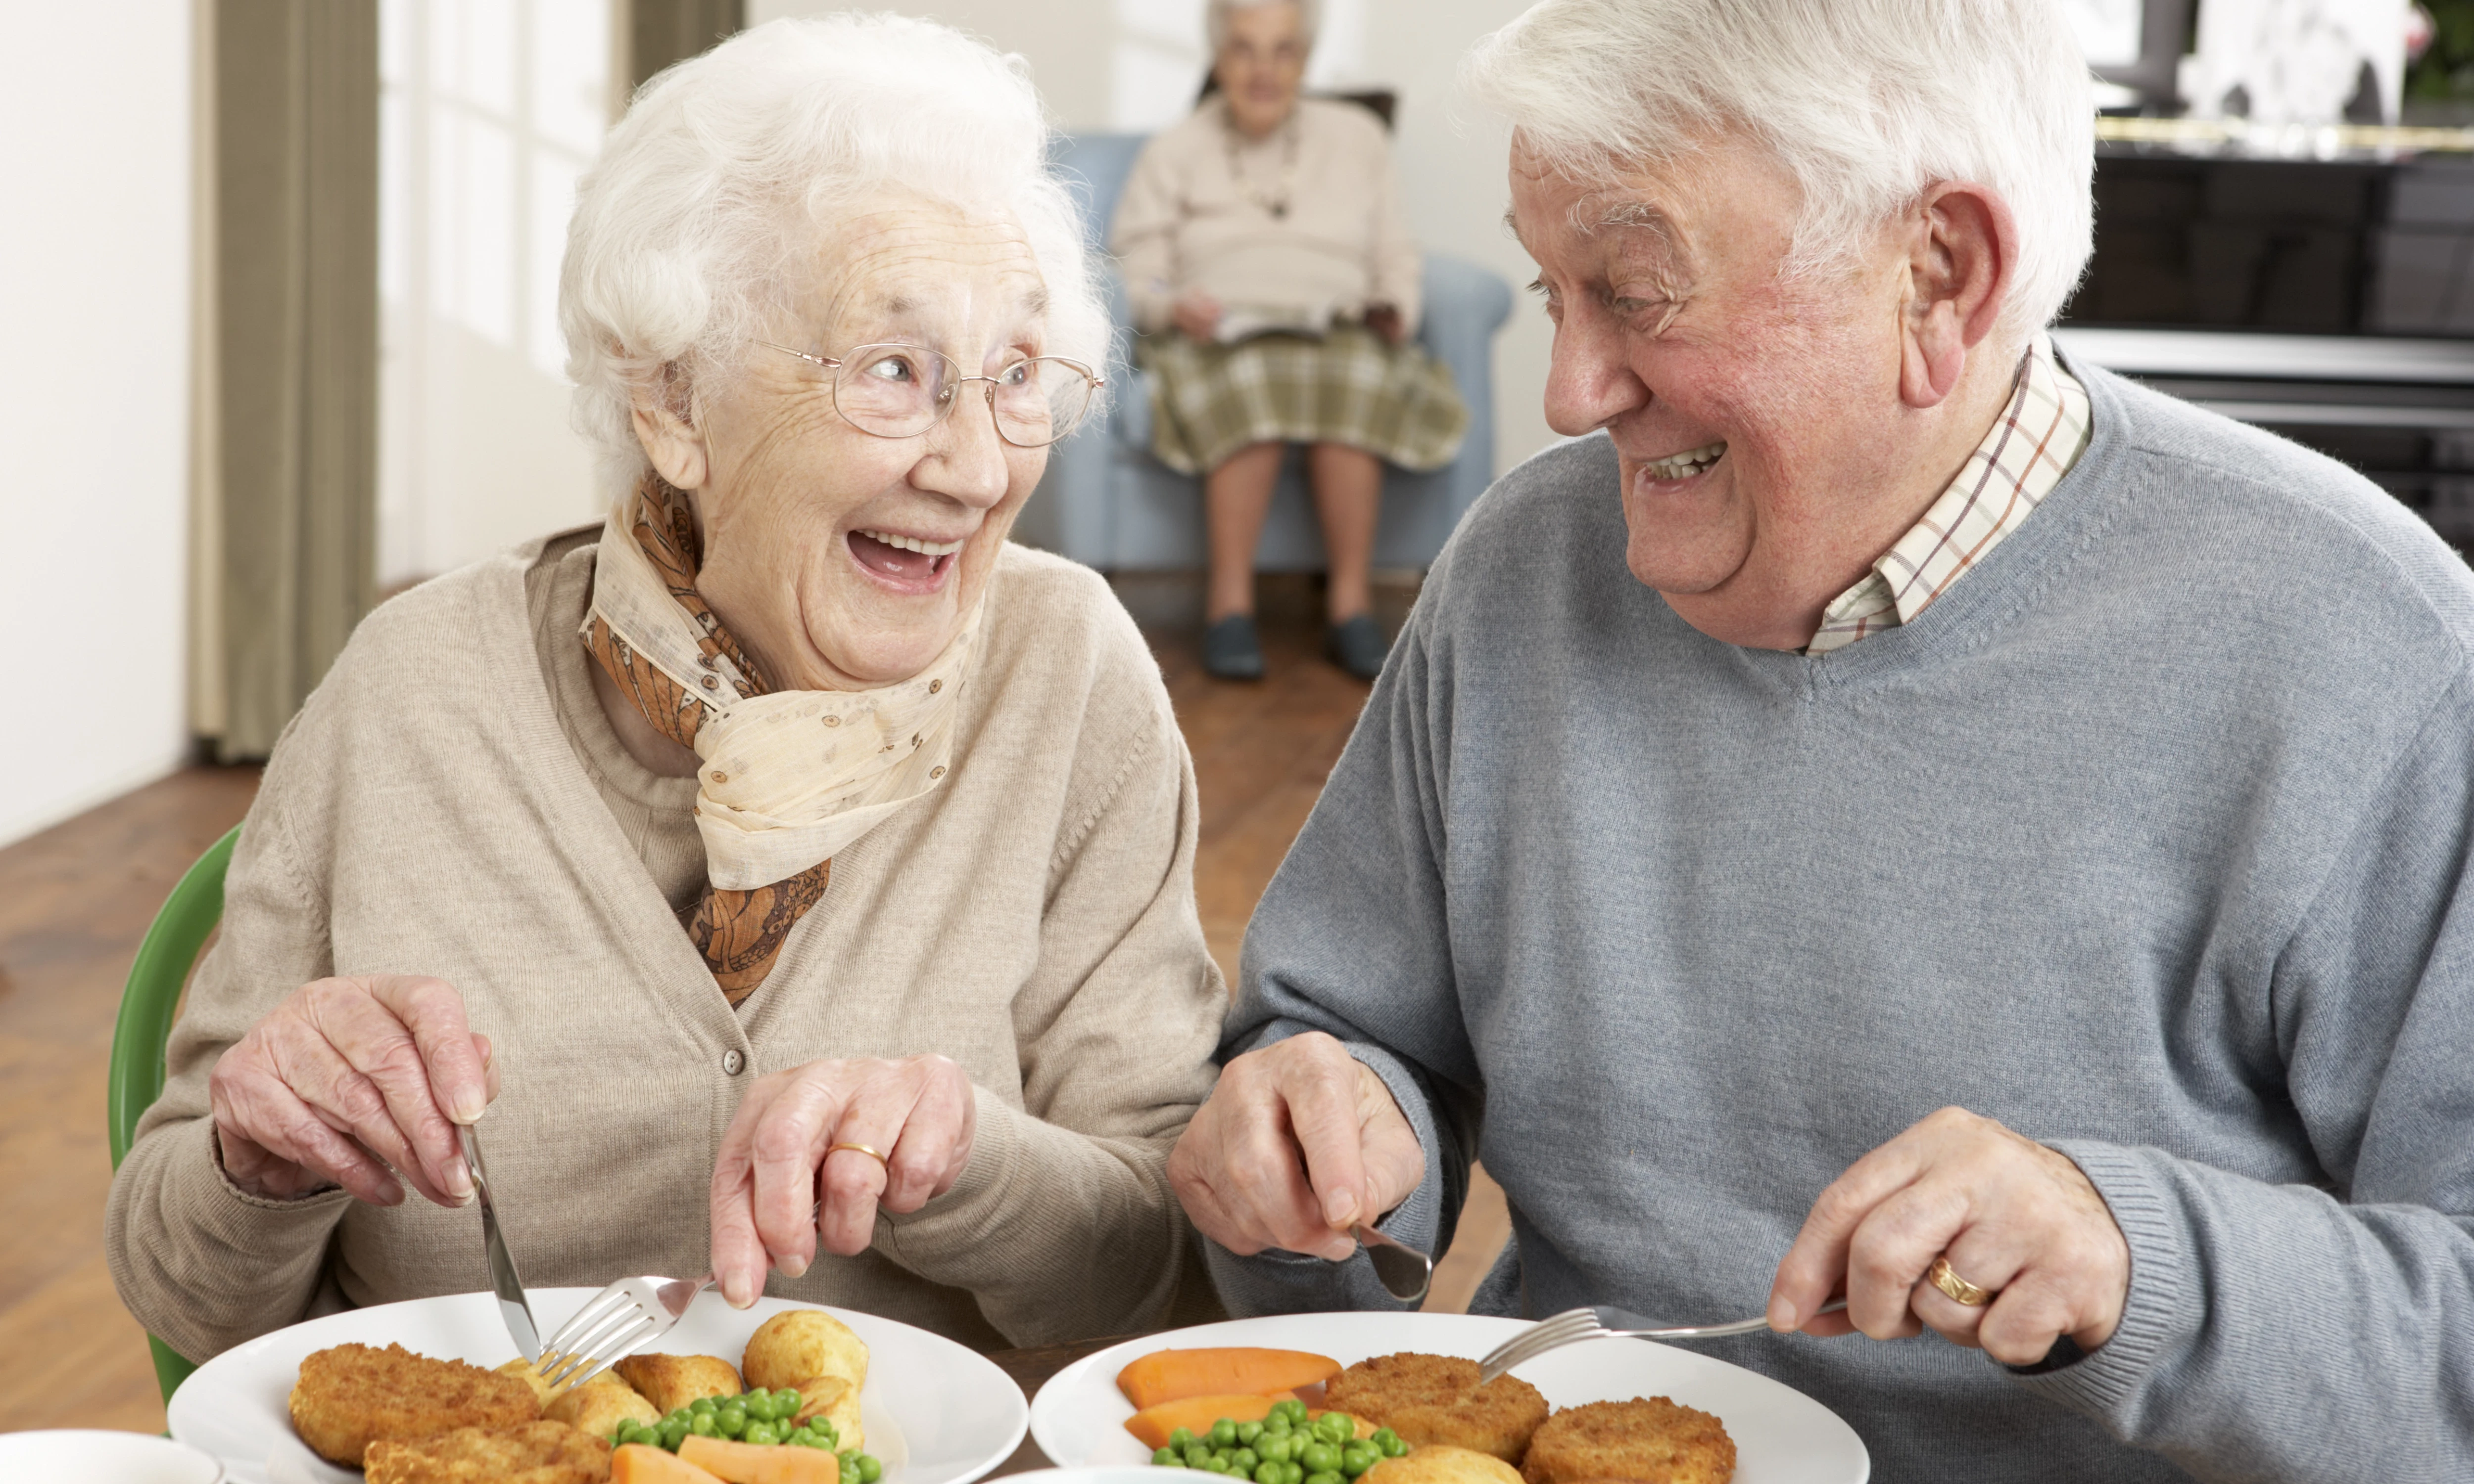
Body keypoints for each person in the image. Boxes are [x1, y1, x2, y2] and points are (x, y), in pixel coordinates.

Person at [1165, 1, 2474, 1479]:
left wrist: (2134, 1262)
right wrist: (1314, 1150)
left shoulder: (2376, 650)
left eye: (1640, 292)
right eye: (1555, 292)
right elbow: (1343, 1041)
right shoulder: (1524, 567)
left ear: (1941, 275)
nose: (1566, 392)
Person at [106, 14, 1227, 1360]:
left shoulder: (1069, 677)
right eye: (894, 372)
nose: (979, 468)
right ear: (673, 403)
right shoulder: (412, 691)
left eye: (1016, 377)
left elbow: (1162, 1285)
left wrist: (974, 1167)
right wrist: (259, 1154)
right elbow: (186, 1288)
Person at [1111, 0, 1469, 682]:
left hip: (1336, 325)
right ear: (1219, 59)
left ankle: (1352, 610)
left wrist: (1395, 307)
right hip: (1218, 332)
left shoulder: (1358, 137)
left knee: (1357, 376)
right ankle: (1229, 609)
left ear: (1305, 60)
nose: (1264, 71)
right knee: (1253, 382)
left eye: (1283, 51)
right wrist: (1171, 304)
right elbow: (1136, 265)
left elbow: (1397, 251)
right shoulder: (1176, 149)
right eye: (1245, 50)